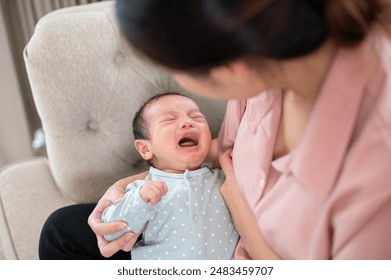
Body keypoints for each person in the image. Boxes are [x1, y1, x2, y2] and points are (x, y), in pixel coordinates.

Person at [40, 0, 391, 259]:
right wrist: (126, 187)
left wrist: (234, 198)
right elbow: (213, 151)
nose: (187, 116)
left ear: (231, 67)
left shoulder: (374, 182)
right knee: (62, 229)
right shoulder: (268, 65)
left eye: (176, 70)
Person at [101, 92, 238, 259]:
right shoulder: (141, 190)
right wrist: (139, 201)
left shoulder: (224, 179)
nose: (188, 122)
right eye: (169, 120)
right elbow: (110, 232)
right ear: (145, 149)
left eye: (197, 117)